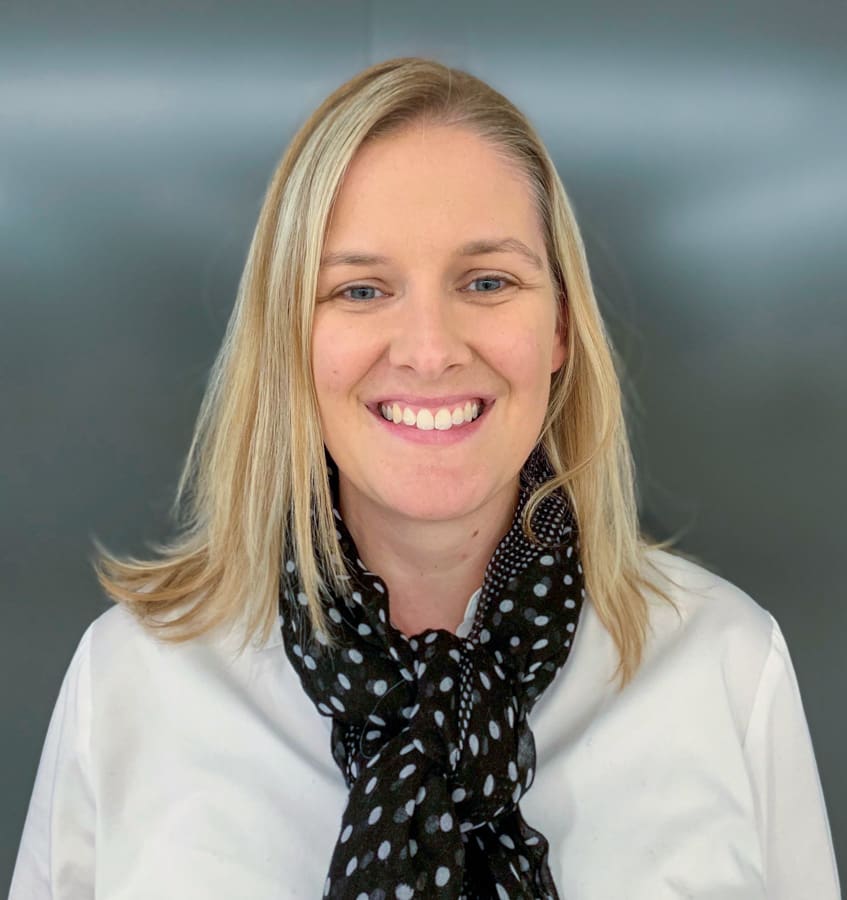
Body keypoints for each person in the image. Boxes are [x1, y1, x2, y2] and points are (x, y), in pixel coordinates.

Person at [10, 57, 840, 900]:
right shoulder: (132, 683)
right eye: (361, 289)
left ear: (558, 328)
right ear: (290, 340)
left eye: (487, 281)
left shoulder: (726, 667)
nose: (431, 349)